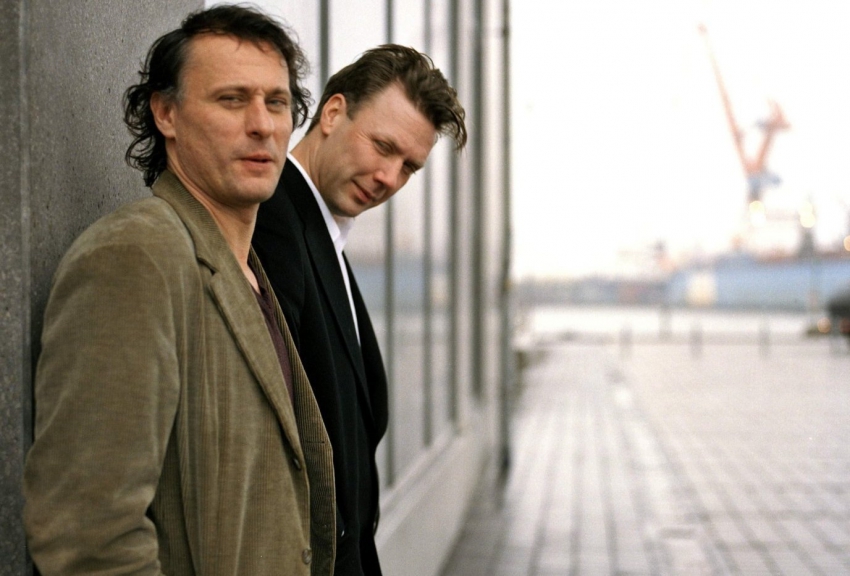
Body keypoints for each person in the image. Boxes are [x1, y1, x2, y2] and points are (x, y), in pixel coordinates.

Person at [22, 6, 335, 575]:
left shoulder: (247, 268)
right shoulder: (135, 257)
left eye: (277, 102)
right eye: (231, 100)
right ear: (165, 112)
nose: (262, 125)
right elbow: (89, 536)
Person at [253, 44, 467, 575]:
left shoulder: (323, 233)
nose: (389, 177)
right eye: (383, 146)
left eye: (409, 167)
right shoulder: (273, 220)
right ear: (332, 113)